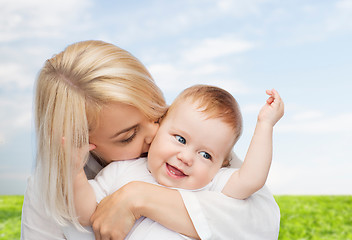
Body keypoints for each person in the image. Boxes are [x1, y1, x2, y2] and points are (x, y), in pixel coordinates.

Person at [21, 40, 280, 240]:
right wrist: (74, 172)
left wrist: (138, 198)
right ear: (82, 143)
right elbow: (85, 213)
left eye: (157, 112)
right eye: (129, 136)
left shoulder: (193, 140)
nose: (155, 134)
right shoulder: (55, 183)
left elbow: (261, 221)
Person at [72, 85, 284, 239]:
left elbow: (252, 179)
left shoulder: (213, 184)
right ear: (159, 125)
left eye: (206, 155)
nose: (186, 158)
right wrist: (74, 171)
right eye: (180, 139)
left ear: (223, 164)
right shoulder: (121, 170)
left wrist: (265, 125)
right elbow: (86, 214)